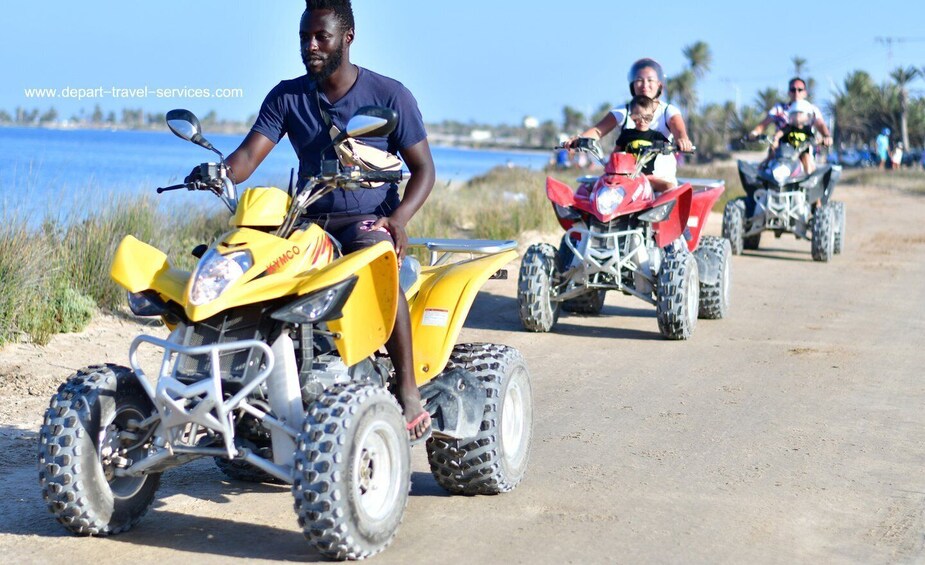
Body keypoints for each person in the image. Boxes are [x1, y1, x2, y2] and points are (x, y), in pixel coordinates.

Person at [188, 0, 435, 441]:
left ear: (348, 38)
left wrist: (397, 220)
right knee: (254, 275)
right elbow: (247, 156)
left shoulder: (389, 95)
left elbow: (424, 170)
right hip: (307, 222)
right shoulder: (288, 96)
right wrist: (219, 172)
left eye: (321, 36)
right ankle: (245, 386)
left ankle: (409, 387)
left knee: (381, 266)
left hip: (367, 220)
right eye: (305, 37)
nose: (311, 46)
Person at [567, 58, 693, 190]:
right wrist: (577, 140)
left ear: (659, 85)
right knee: (587, 190)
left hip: (658, 181)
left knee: (668, 190)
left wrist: (682, 140)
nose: (644, 85)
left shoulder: (668, 110)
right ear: (632, 85)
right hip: (625, 180)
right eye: (639, 80)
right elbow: (598, 131)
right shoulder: (624, 110)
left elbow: (677, 127)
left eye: (650, 80)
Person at [749, 77, 833, 148]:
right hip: (781, 150)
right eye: (793, 90)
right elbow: (763, 124)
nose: (796, 93)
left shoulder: (812, 109)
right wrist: (755, 133)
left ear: (805, 92)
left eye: (800, 90)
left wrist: (827, 136)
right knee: (769, 160)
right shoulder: (779, 109)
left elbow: (821, 124)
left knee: (809, 163)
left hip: (804, 150)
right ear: (789, 92)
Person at [771, 99, 816, 175]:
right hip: (787, 154)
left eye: (800, 113)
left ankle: (809, 176)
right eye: (795, 113)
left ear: (807, 116)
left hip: (802, 152)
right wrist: (775, 138)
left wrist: (818, 141)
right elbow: (780, 133)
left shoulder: (807, 129)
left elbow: (813, 139)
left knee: (807, 157)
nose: (797, 115)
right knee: (773, 156)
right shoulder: (789, 127)